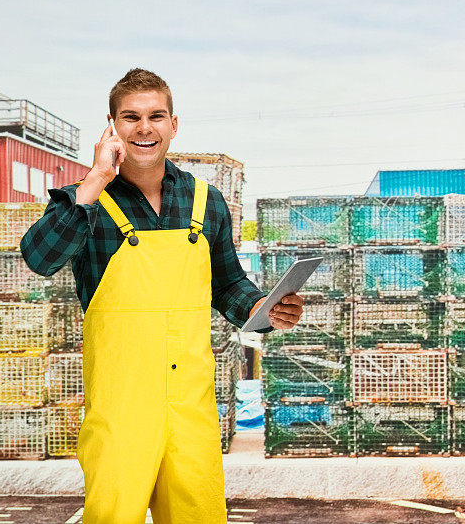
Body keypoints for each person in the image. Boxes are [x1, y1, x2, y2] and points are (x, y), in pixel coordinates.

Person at [20, 68, 304, 524]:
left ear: (175, 124)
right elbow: (38, 258)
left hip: (190, 403)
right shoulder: (85, 201)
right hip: (120, 405)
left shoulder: (205, 201)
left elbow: (228, 284)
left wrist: (265, 310)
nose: (144, 128)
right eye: (130, 117)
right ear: (111, 126)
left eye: (156, 116)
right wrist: (94, 179)